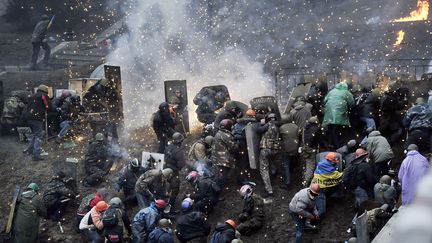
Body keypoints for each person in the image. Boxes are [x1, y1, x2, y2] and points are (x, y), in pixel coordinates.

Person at [22, 84, 50, 161]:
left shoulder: (32, 96)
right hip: (36, 118)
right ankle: (36, 155)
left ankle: (29, 149)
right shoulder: (43, 95)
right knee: (39, 135)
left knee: (35, 134)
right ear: (45, 90)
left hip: (28, 117)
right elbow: (47, 106)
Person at [322, 82, 354, 149]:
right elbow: (352, 103)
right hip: (339, 112)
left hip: (329, 112)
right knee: (337, 129)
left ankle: (330, 143)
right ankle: (338, 145)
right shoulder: (346, 92)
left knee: (331, 128)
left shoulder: (332, 91)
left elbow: (324, 100)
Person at [311, 152, 343, 217]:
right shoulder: (327, 168)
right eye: (335, 161)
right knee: (321, 211)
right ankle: (309, 219)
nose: (336, 162)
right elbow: (337, 176)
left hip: (322, 188)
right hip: (319, 191)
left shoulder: (324, 163)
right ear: (330, 160)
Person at [211, 119, 239, 191]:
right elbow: (234, 148)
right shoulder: (226, 135)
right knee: (221, 177)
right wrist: (238, 143)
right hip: (223, 159)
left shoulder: (218, 133)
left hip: (217, 158)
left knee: (219, 175)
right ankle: (218, 193)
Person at [258, 113, 282, 198]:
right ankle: (273, 172)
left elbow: (258, 130)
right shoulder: (278, 126)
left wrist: (261, 123)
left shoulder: (268, 125)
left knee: (264, 169)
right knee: (272, 162)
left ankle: (269, 190)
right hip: (275, 150)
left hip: (265, 149)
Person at [232, 109, 257, 184]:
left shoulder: (238, 122)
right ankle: (242, 179)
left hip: (235, 143)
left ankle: (238, 177)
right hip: (243, 143)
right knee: (243, 161)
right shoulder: (250, 122)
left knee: (238, 161)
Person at [164, 132, 186, 209]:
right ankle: (170, 207)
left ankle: (166, 196)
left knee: (170, 184)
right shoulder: (178, 152)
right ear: (179, 142)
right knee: (175, 188)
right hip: (173, 172)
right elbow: (181, 165)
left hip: (165, 169)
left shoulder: (168, 147)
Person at [279, 114, 300, 189]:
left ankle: (287, 183)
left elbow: (280, 138)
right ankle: (293, 174)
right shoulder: (296, 126)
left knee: (286, 165)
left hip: (286, 149)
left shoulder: (282, 128)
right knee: (292, 162)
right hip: (295, 148)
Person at [300, 116, 321, 186]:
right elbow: (318, 140)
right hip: (311, 150)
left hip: (303, 148)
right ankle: (305, 183)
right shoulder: (316, 129)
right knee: (311, 166)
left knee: (304, 164)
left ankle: (303, 177)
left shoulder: (305, 128)